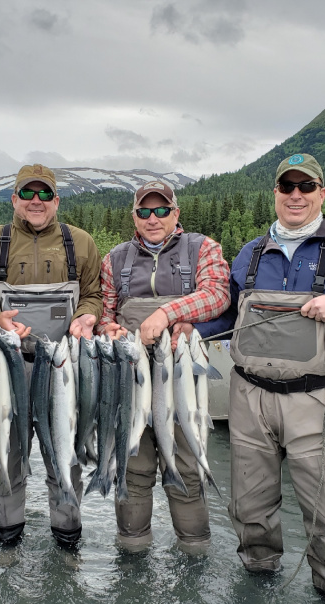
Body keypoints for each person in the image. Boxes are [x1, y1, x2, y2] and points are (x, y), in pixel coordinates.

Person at [205, 153, 325, 596]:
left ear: (322, 192)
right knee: (250, 506)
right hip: (249, 398)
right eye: (287, 187)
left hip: (317, 401)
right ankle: (257, 583)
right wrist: (179, 324)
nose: (295, 195)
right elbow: (222, 310)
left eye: (305, 186)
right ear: (276, 193)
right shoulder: (251, 252)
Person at [0, 163, 102, 546]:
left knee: (64, 446)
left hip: (64, 370)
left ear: (57, 200)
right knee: (9, 450)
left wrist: (87, 315)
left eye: (45, 194)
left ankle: (67, 534)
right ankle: (7, 534)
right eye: (28, 193)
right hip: (9, 367)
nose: (36, 201)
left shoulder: (82, 242)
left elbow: (93, 293)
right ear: (14, 199)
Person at [96, 180, 230, 548]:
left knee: (186, 468)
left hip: (181, 377)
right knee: (132, 466)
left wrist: (167, 314)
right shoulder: (114, 259)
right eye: (144, 211)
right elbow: (103, 313)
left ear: (176, 213)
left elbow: (218, 295)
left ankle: (194, 550)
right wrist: (109, 329)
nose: (152, 218)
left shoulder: (203, 248)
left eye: (161, 210)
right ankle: (132, 548)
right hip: (130, 377)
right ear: (134, 216)